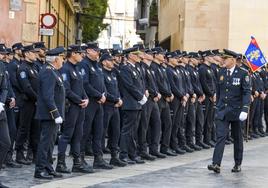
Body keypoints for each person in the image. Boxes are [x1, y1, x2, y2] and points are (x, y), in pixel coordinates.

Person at [208, 49, 251, 173]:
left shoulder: (243, 73)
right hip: (223, 111)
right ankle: (216, 164)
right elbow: (219, 91)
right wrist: (218, 106)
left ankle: (237, 163)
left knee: (237, 138)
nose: (222, 61)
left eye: (225, 59)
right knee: (220, 137)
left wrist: (245, 109)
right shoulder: (221, 72)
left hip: (237, 112)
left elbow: (246, 92)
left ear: (232, 60)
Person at [56, 45, 93, 173]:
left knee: (78, 135)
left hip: (80, 106)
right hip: (71, 107)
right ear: (72, 54)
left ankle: (77, 163)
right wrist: (79, 100)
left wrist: (86, 98)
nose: (82, 55)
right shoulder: (65, 69)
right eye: (79, 53)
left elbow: (81, 87)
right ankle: (60, 163)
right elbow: (66, 90)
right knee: (67, 135)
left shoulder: (76, 68)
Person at [79, 42, 113, 169]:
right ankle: (80, 158)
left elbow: (101, 82)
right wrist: (99, 95)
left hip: (99, 103)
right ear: (88, 51)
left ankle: (98, 158)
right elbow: (85, 84)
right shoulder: (84, 64)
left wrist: (103, 94)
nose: (98, 52)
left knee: (99, 131)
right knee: (85, 131)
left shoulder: (97, 65)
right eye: (95, 50)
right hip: (90, 102)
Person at [34, 46, 66, 179]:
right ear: (56, 59)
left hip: (52, 114)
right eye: (62, 58)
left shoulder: (53, 71)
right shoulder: (48, 72)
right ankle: (39, 169)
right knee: (45, 143)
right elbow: (48, 96)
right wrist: (56, 113)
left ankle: (48, 167)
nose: (63, 61)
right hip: (49, 115)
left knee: (51, 142)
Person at [119, 47, 147, 164]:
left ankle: (132, 154)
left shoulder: (136, 68)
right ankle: (123, 155)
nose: (138, 56)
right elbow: (129, 86)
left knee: (132, 131)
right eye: (136, 54)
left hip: (136, 104)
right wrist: (140, 97)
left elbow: (140, 84)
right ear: (130, 55)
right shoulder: (126, 69)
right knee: (127, 130)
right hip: (130, 103)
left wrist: (143, 93)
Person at [100, 53, 127, 167]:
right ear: (104, 62)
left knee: (115, 131)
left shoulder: (113, 73)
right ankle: (99, 157)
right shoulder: (101, 73)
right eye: (110, 60)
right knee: (102, 131)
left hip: (115, 106)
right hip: (106, 106)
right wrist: (116, 99)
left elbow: (117, 88)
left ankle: (114, 156)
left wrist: (119, 98)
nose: (112, 62)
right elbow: (104, 91)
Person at [16, 44, 40, 164]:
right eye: (32, 52)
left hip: (36, 103)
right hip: (27, 103)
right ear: (26, 54)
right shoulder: (22, 68)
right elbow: (27, 87)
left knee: (36, 129)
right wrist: (38, 98)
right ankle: (19, 154)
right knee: (24, 128)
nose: (35, 54)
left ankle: (35, 155)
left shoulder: (35, 67)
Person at [0, 44, 11, 188]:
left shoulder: (1, 66)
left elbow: (4, 87)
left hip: (0, 110)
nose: (3, 56)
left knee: (5, 142)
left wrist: (1, 102)